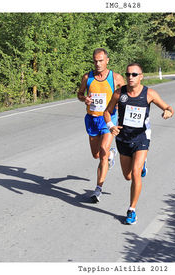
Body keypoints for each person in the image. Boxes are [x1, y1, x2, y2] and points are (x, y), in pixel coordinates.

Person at [104, 63, 174, 225]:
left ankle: (132, 210)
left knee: (135, 173)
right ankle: (134, 163)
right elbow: (107, 112)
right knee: (127, 176)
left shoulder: (149, 93)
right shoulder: (119, 93)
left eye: (134, 74)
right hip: (123, 139)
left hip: (141, 138)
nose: (130, 77)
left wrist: (168, 111)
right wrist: (111, 126)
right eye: (128, 74)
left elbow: (168, 107)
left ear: (141, 76)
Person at [77, 48, 125, 203]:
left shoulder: (116, 78)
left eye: (101, 60)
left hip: (108, 119)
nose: (98, 64)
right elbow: (79, 94)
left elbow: (126, 96)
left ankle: (98, 189)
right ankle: (112, 154)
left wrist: (118, 105)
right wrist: (84, 99)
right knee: (96, 154)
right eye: (95, 61)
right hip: (92, 119)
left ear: (107, 60)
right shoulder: (87, 77)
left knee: (103, 151)